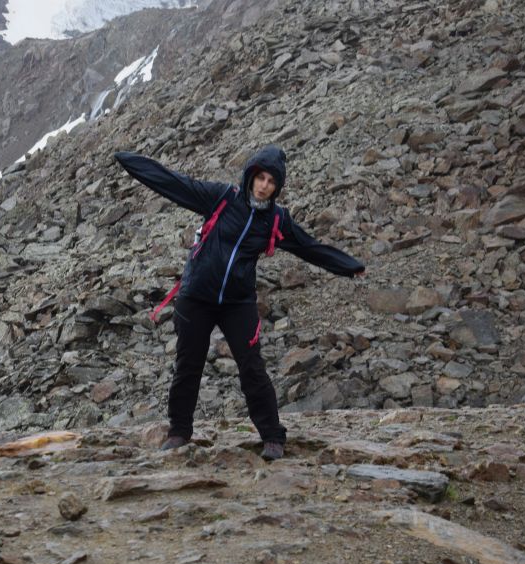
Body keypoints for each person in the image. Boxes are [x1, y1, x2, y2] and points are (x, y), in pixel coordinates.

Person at [114, 146, 365, 461]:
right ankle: (179, 432)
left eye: (271, 181)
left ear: (277, 187)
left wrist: (348, 266)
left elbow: (308, 247)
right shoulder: (222, 198)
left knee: (252, 367)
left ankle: (272, 437)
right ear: (251, 175)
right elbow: (175, 184)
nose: (264, 185)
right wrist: (129, 161)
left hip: (237, 302)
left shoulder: (276, 219)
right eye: (260, 177)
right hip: (196, 297)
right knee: (188, 364)